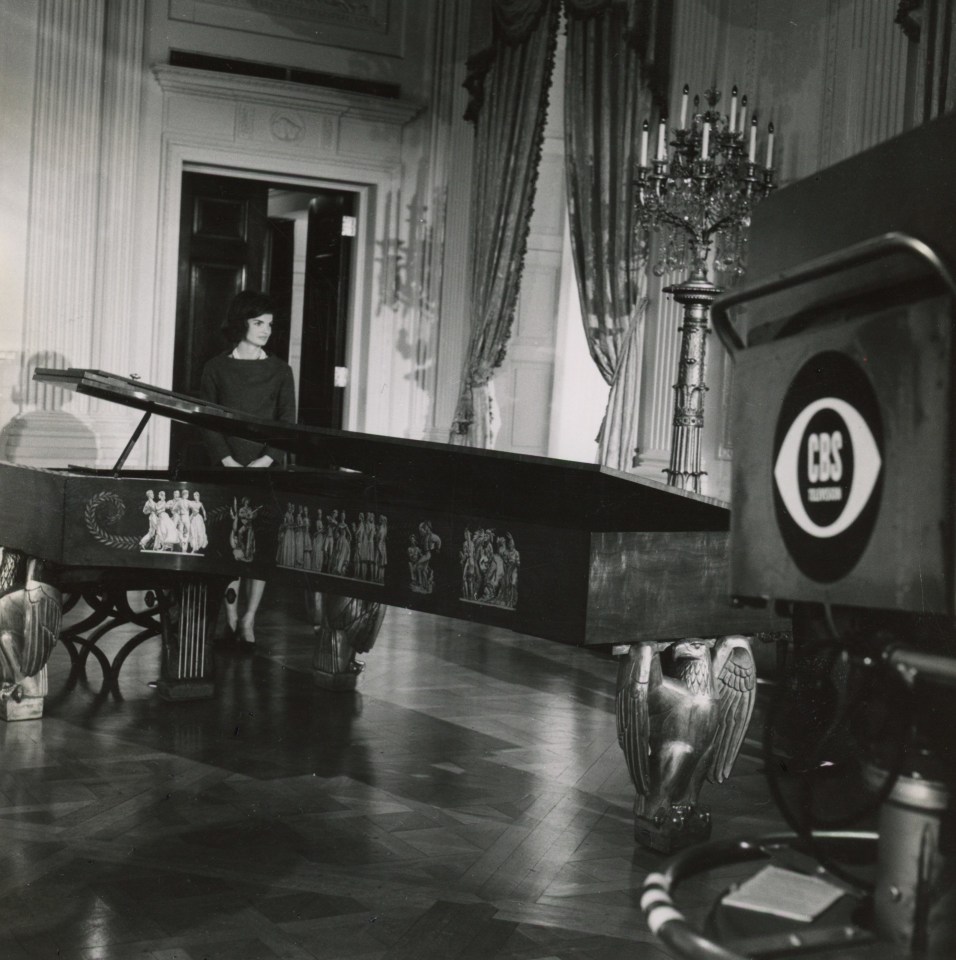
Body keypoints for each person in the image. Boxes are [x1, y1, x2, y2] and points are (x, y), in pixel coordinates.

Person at [200, 290, 296, 651]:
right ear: (242, 323)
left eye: (270, 324)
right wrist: (226, 459)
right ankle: (228, 619)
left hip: (264, 469)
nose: (266, 330)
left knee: (260, 549)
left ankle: (249, 620)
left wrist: (266, 459)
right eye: (259, 323)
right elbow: (208, 421)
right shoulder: (215, 367)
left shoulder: (280, 370)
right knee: (229, 547)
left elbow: (288, 423)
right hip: (227, 468)